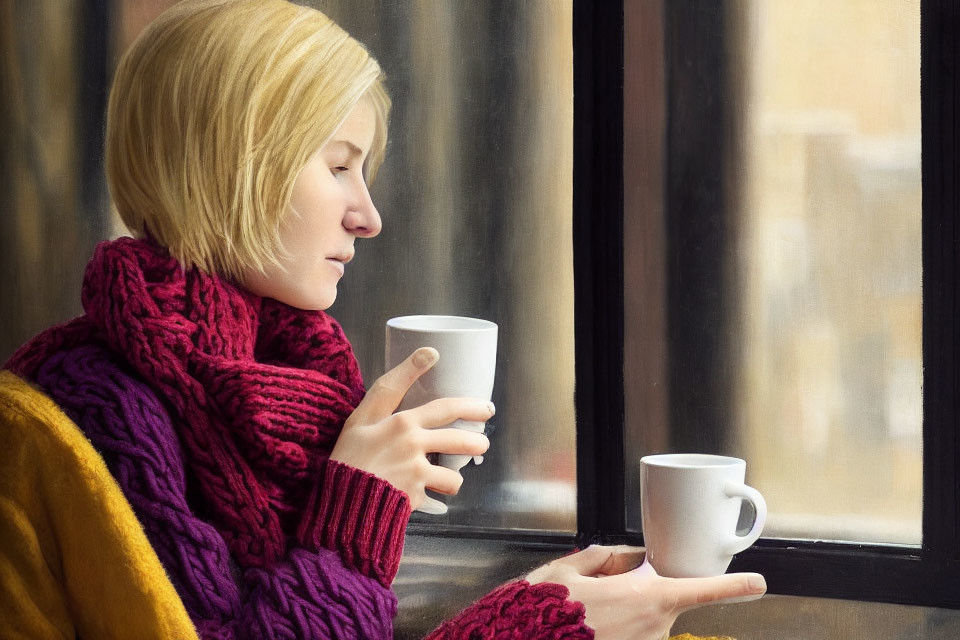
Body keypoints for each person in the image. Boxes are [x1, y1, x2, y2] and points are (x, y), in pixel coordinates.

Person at [0, 0, 766, 638]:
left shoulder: (283, 380)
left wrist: (535, 617)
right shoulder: (100, 407)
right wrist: (358, 503)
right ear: (232, 164)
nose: (367, 215)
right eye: (338, 166)